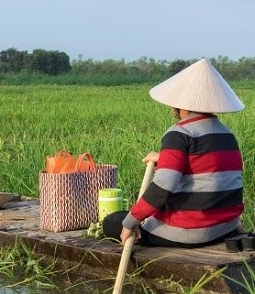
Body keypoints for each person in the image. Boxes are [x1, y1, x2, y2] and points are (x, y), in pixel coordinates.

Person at [103, 58, 244, 247]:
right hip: (225, 227)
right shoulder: (227, 135)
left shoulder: (180, 133)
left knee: (112, 222)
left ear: (181, 105)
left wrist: (130, 223)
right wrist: (164, 158)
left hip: (191, 232)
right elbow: (205, 166)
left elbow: (163, 187)